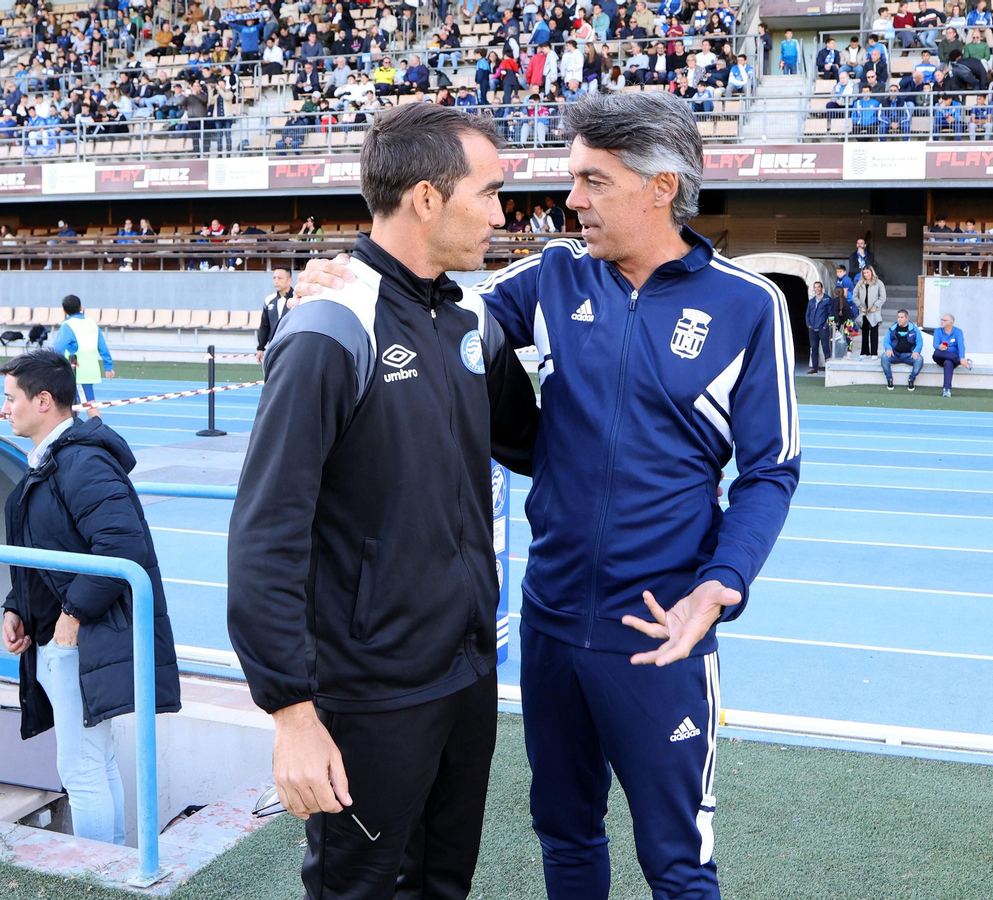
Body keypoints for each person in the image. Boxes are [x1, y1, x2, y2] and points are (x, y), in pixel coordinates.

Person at [293, 90, 801, 900]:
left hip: (660, 631)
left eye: (594, 181)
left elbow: (771, 470)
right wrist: (336, 285)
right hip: (552, 622)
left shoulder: (748, 305)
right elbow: (430, 313)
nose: (572, 200)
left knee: (678, 865)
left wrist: (720, 586)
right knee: (565, 834)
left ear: (660, 187)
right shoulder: (555, 275)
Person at [226, 103, 539, 900]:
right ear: (427, 199)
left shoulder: (472, 318)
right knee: (357, 890)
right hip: (368, 692)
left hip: (466, 672)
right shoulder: (330, 325)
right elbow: (266, 531)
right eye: (490, 193)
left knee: (443, 884)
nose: (502, 216)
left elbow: (538, 444)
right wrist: (291, 713)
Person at [0, 350, 181, 846]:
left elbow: (123, 547)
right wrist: (16, 605)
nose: (3, 409)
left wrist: (73, 616)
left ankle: (97, 871)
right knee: (94, 760)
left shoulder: (82, 462)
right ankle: (112, 866)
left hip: (79, 636)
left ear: (43, 401)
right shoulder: (54, 459)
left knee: (81, 767)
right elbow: (46, 548)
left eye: (10, 399)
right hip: (61, 634)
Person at [50, 294, 116, 414]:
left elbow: (58, 349)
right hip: (90, 369)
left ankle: (97, 425)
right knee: (73, 403)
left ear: (64, 310)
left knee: (88, 404)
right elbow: (102, 347)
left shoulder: (67, 326)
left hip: (78, 372)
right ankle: (73, 424)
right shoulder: (92, 323)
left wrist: (53, 367)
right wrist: (108, 366)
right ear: (81, 307)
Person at [253, 267, 293, 366]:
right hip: (274, 347)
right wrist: (261, 347)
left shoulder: (298, 299)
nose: (276, 281)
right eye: (274, 278)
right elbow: (265, 325)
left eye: (280, 278)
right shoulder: (269, 300)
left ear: (289, 280)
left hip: (292, 346)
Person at [881, 309, 925, 391]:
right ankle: (889, 379)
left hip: (909, 355)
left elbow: (919, 342)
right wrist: (888, 348)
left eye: (902, 317)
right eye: (898, 317)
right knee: (884, 357)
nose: (899, 319)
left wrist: (916, 351)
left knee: (919, 359)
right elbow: (886, 341)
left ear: (907, 318)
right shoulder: (892, 328)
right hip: (895, 354)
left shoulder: (914, 329)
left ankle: (911, 379)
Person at [927, 313, 969, 397]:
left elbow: (961, 346)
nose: (941, 322)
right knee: (936, 353)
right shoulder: (938, 331)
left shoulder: (958, 332)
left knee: (948, 363)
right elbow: (935, 345)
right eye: (941, 320)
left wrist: (962, 357)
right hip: (941, 356)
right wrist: (939, 347)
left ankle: (946, 389)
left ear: (950, 323)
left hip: (951, 359)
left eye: (944, 320)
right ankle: (959, 360)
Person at [855, 265, 886, 357]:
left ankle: (874, 353)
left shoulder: (879, 283)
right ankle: (864, 351)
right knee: (864, 331)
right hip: (864, 311)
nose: (866, 274)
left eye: (867, 272)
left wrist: (875, 306)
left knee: (874, 332)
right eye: (864, 273)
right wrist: (860, 306)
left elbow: (883, 297)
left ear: (872, 272)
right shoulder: (860, 283)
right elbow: (855, 296)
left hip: (874, 311)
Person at [806, 279, 834, 374]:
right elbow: (807, 314)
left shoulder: (828, 300)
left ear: (822, 288)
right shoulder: (811, 301)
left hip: (823, 329)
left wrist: (826, 326)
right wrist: (809, 325)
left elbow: (831, 315)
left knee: (826, 348)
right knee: (814, 348)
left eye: (818, 287)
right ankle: (814, 368)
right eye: (815, 287)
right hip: (812, 329)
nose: (817, 289)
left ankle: (828, 367)